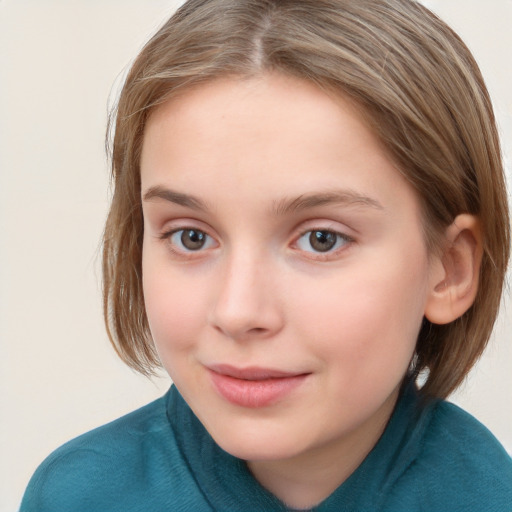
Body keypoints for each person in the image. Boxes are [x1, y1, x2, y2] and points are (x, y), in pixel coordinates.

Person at [20, 0, 512, 510]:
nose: (238, 312)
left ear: (450, 270)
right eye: (191, 236)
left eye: (322, 239)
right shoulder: (77, 496)